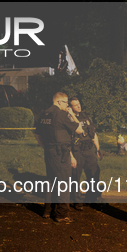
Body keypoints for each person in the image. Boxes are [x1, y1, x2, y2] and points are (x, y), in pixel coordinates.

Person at [34, 92, 83, 223]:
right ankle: (62, 214)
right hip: (61, 153)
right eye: (66, 102)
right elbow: (79, 129)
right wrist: (71, 114)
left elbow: (37, 134)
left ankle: (47, 211)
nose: (68, 105)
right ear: (58, 102)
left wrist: (46, 147)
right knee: (63, 182)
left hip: (49, 152)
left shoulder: (44, 114)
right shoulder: (61, 114)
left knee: (51, 180)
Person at [69, 97, 102, 210]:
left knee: (94, 173)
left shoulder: (85, 116)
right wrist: (71, 155)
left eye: (79, 104)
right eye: (75, 105)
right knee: (75, 176)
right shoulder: (68, 118)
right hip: (77, 150)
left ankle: (90, 198)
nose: (79, 106)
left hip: (89, 149)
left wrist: (97, 148)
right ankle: (76, 200)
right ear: (70, 107)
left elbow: (93, 132)